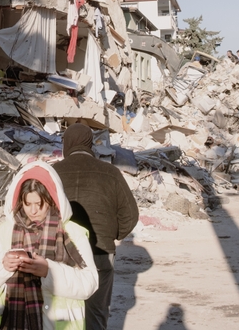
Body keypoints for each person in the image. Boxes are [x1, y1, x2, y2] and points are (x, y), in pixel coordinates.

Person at [0, 161, 98, 330]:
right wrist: (3, 265)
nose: (33, 211)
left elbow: (89, 284)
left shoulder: (72, 232)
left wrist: (49, 271)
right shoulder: (6, 231)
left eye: (39, 204)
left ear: (51, 199)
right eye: (28, 204)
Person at [52, 123, 139, 330]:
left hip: (61, 252)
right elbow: (131, 215)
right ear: (90, 145)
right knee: (96, 313)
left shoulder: (53, 173)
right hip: (100, 252)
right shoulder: (111, 173)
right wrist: (112, 235)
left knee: (61, 314)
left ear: (67, 144)